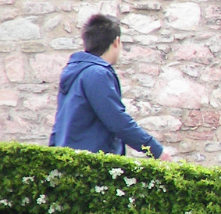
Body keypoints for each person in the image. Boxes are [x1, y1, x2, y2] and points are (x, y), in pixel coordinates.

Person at [48, 13, 170, 160]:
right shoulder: (97, 74)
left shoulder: (74, 72)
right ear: (116, 42)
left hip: (69, 162)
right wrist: (155, 150)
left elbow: (58, 127)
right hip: (91, 165)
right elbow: (117, 120)